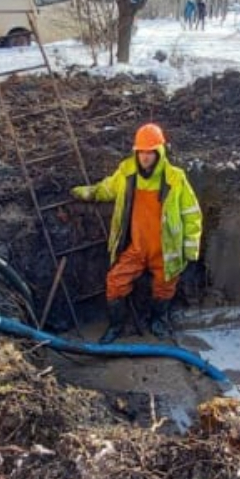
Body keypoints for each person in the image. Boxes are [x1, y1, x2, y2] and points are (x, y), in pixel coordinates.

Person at [71, 123, 203, 344]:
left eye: (150, 152)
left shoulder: (175, 178)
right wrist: (88, 192)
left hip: (166, 249)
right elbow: (107, 189)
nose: (145, 157)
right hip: (137, 247)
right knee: (115, 281)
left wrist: (191, 248)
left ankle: (158, 322)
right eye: (141, 151)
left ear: (159, 152)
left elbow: (192, 214)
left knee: (165, 286)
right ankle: (115, 326)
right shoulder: (127, 172)